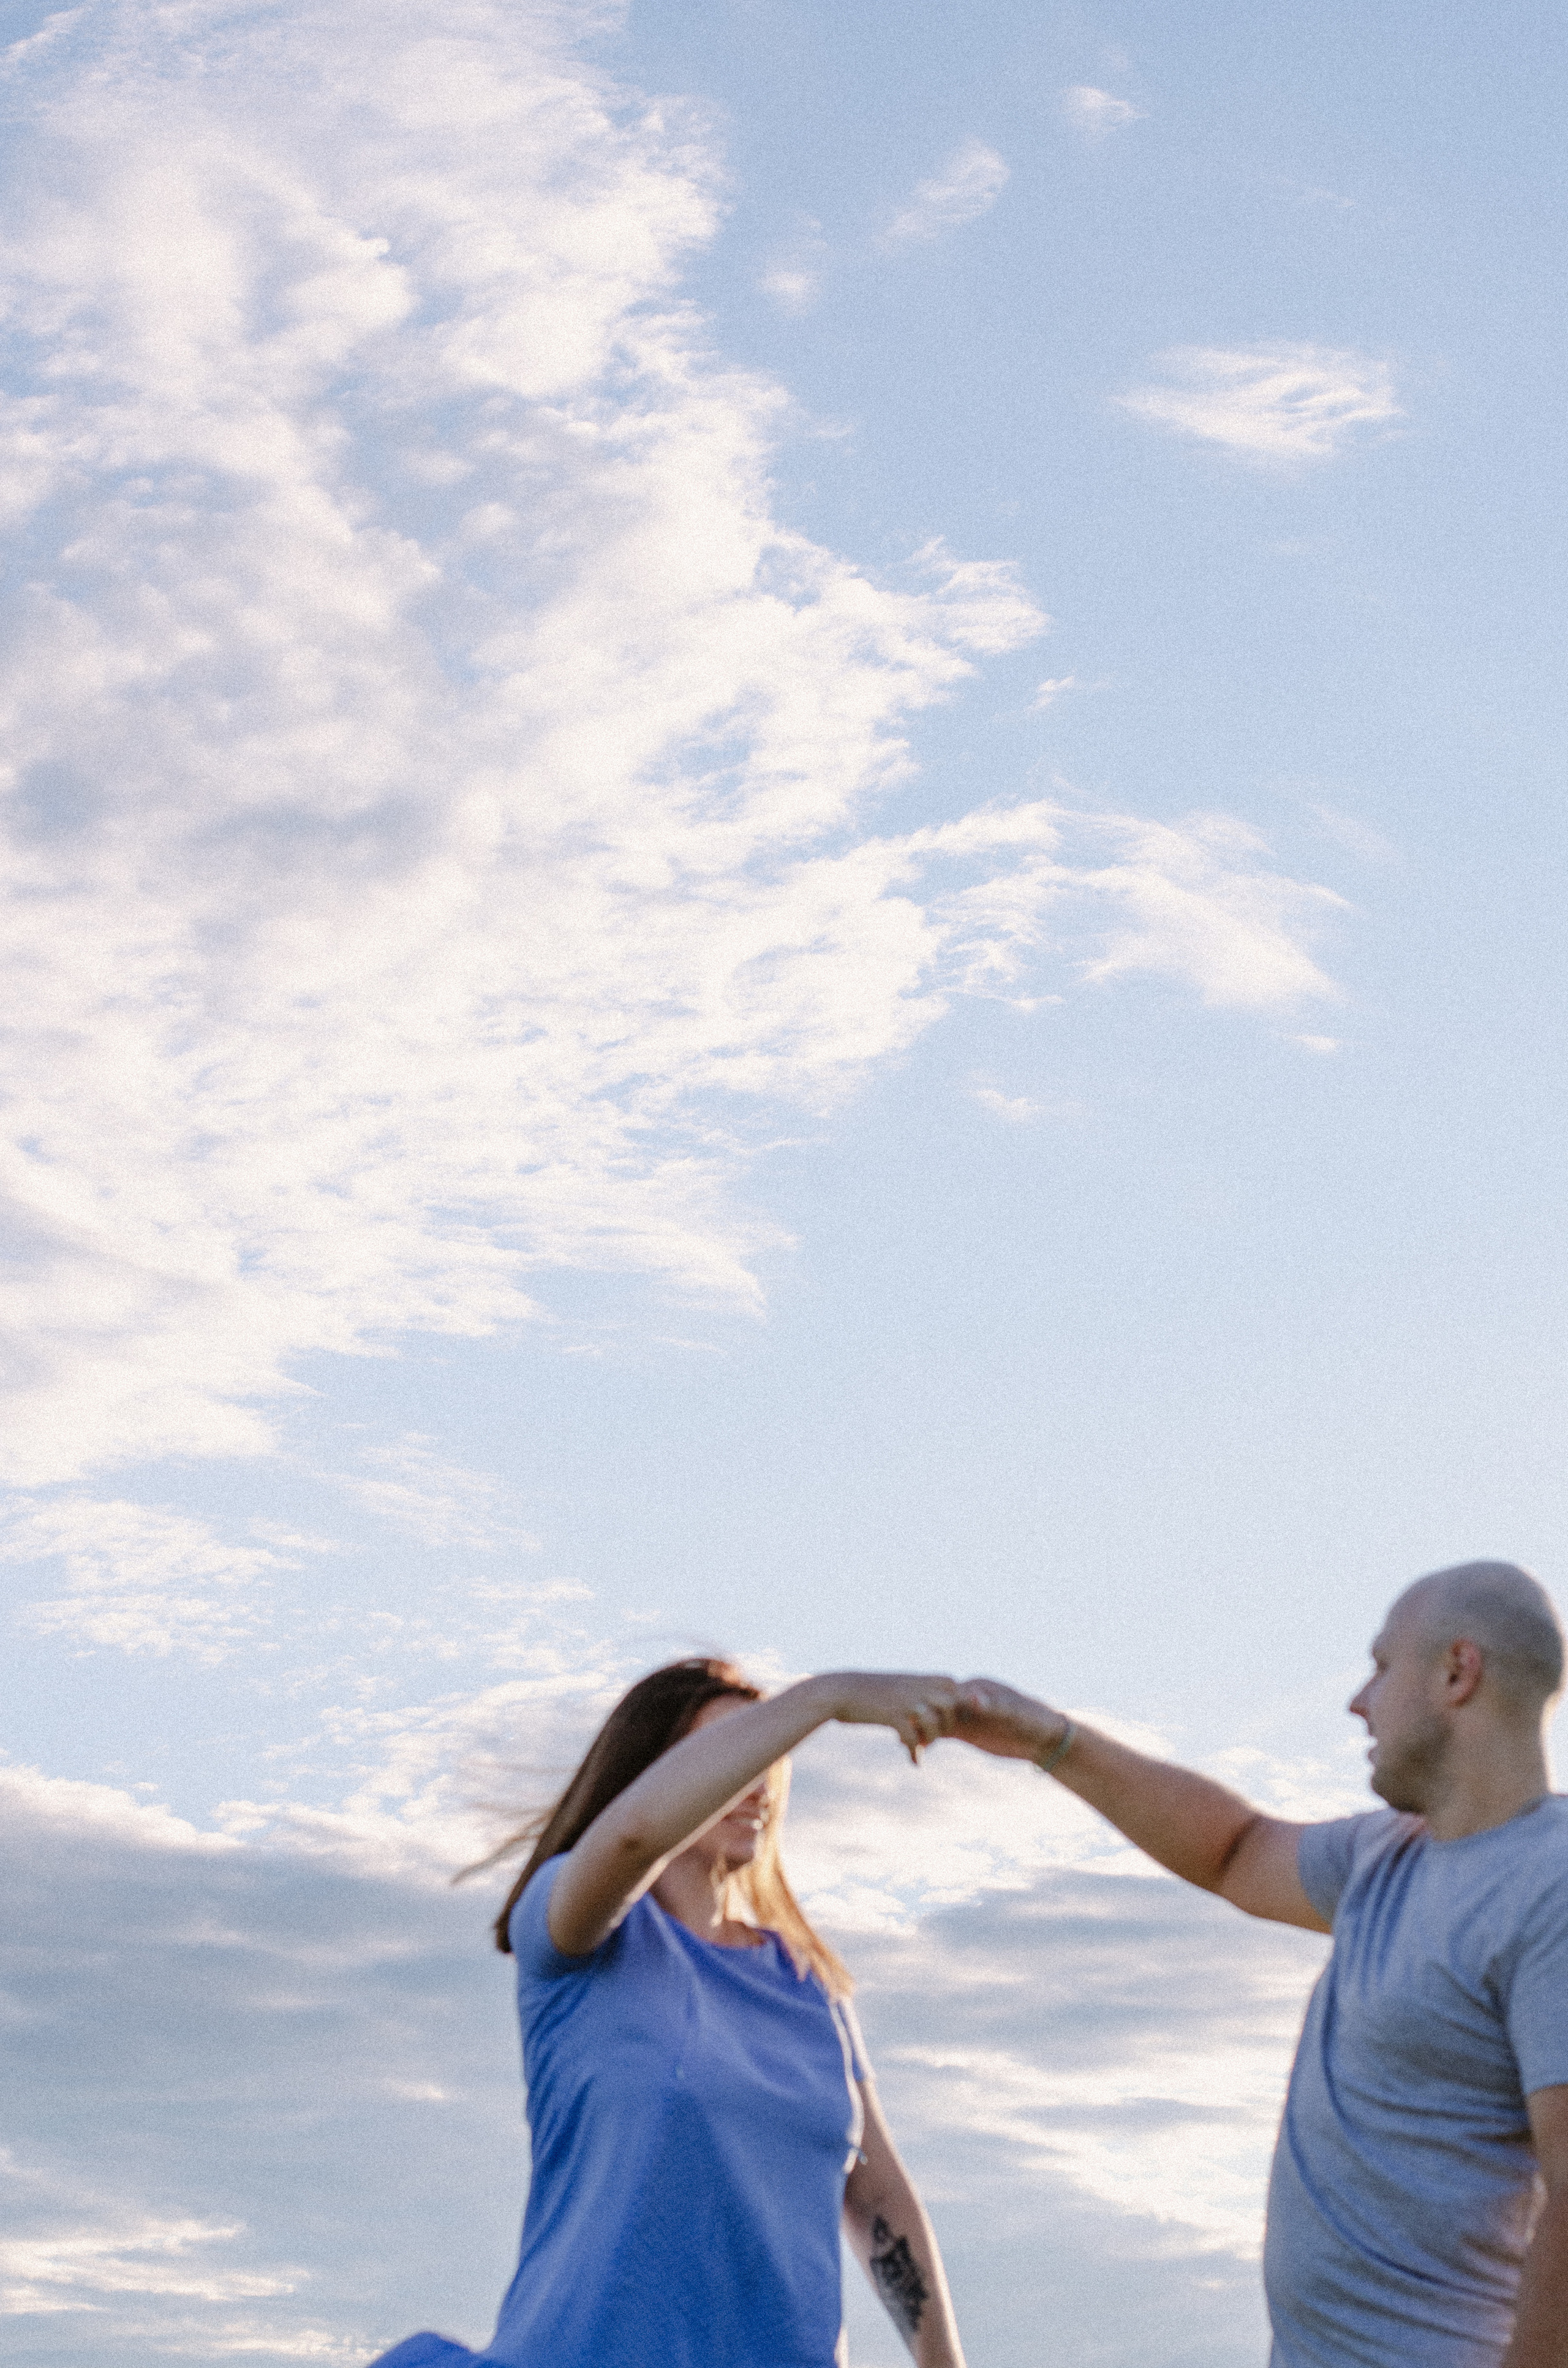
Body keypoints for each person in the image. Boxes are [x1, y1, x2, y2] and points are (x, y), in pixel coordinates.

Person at [952, 1560, 1568, 2367]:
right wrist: (1052, 1741)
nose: (1358, 1700)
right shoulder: (1383, 1858)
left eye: (1383, 1667)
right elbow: (1234, 1851)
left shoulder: (1550, 1884)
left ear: (1458, 1672)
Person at [371, 1657, 969, 2368]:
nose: (757, 1782)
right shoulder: (574, 1931)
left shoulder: (810, 1986)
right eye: (731, 1753)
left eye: (768, 1758)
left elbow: (878, 2200)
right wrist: (825, 1698)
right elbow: (634, 1836)